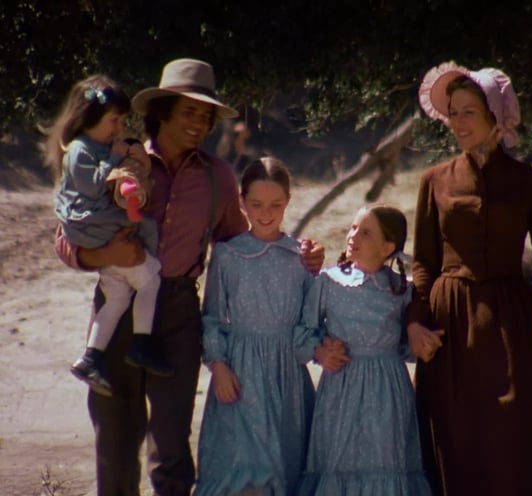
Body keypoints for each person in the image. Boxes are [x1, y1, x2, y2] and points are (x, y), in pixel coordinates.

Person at [55, 58, 325, 496]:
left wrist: (305, 256)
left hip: (180, 311)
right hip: (117, 305)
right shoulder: (118, 163)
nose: (200, 123)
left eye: (206, 115)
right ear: (161, 112)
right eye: (189, 112)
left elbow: (247, 244)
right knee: (116, 434)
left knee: (172, 438)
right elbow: (66, 236)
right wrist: (104, 252)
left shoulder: (217, 177)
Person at [407, 61, 532, 495]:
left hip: (509, 324)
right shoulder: (433, 181)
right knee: (455, 442)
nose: (457, 123)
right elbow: (424, 261)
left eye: (468, 112)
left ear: (496, 118)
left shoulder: (529, 182)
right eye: (452, 112)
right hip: (449, 328)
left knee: (513, 441)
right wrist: (415, 323)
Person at [194, 157, 339, 496]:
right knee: (243, 473)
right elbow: (212, 316)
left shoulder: (300, 257)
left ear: (288, 200)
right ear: (242, 202)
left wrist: (320, 349)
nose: (265, 212)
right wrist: (218, 366)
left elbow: (309, 324)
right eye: (256, 204)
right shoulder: (228, 255)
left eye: (276, 204)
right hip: (239, 377)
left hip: (286, 378)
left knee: (284, 470)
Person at [46, 74, 170, 398]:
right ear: (90, 118)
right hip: (93, 225)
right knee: (150, 280)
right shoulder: (79, 149)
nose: (118, 128)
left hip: (97, 228)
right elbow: (92, 186)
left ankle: (91, 356)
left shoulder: (93, 146)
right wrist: (117, 157)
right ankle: (142, 342)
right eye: (114, 120)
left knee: (116, 297)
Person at [296, 204, 432, 496]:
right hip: (341, 389)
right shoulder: (329, 282)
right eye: (353, 228)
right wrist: (320, 351)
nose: (353, 236)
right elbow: (302, 331)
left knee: (385, 460)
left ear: (387, 248)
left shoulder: (401, 289)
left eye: (366, 233)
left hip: (388, 393)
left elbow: (406, 347)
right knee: (339, 458)